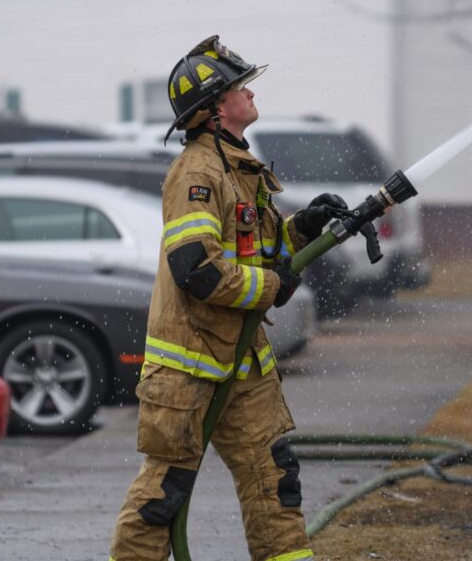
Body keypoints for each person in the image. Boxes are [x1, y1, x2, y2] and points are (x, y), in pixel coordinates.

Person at [110, 36, 346, 561]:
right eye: (241, 87)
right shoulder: (197, 173)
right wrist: (271, 286)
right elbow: (196, 269)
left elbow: (256, 250)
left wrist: (303, 228)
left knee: (274, 476)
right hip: (188, 368)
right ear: (216, 108)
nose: (250, 92)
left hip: (242, 361)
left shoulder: (237, 167)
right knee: (163, 496)